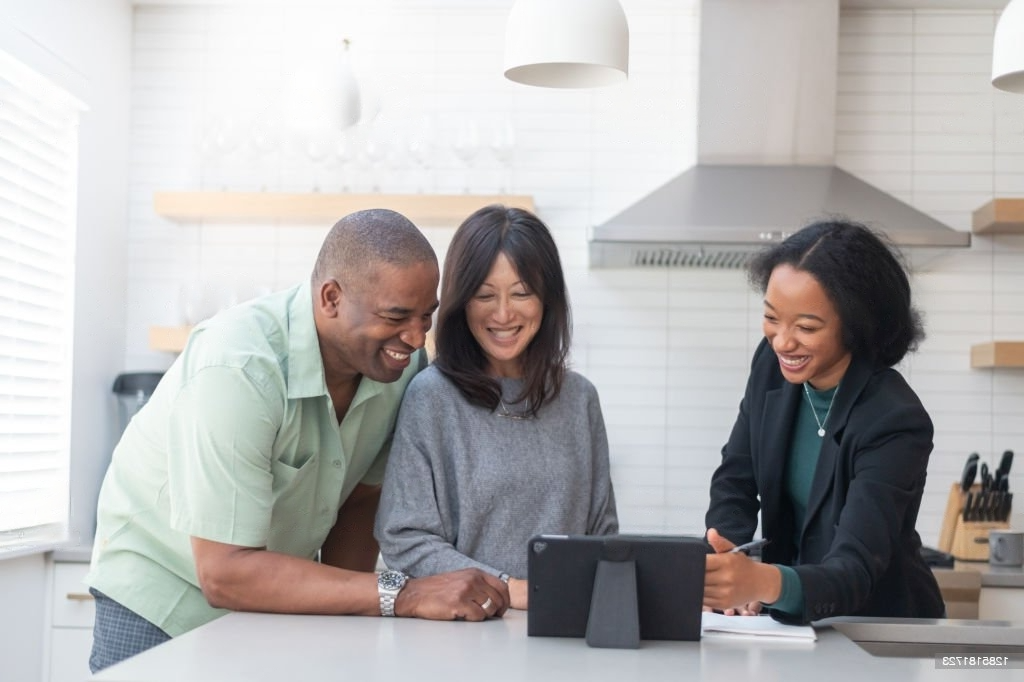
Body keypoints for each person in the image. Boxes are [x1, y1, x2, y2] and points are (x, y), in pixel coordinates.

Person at [85, 209, 509, 673]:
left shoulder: (400, 369)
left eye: (426, 316)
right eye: (396, 315)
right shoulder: (239, 368)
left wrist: (350, 626)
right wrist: (400, 594)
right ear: (331, 298)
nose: (414, 337)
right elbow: (224, 573)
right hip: (161, 595)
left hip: (268, 602)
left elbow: (361, 500)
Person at [374, 204, 618, 610]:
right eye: (484, 295)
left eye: (521, 293)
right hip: (462, 632)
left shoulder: (580, 400)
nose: (503, 314)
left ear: (548, 299)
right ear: (460, 302)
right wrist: (511, 591)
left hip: (565, 626)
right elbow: (405, 537)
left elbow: (602, 534)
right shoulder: (431, 397)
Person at [702, 218, 944, 624]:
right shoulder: (769, 367)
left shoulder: (894, 419)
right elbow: (735, 479)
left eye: (806, 327)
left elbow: (856, 569)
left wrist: (763, 583)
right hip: (790, 623)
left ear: (856, 325)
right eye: (772, 318)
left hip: (877, 627)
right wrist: (731, 549)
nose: (782, 341)